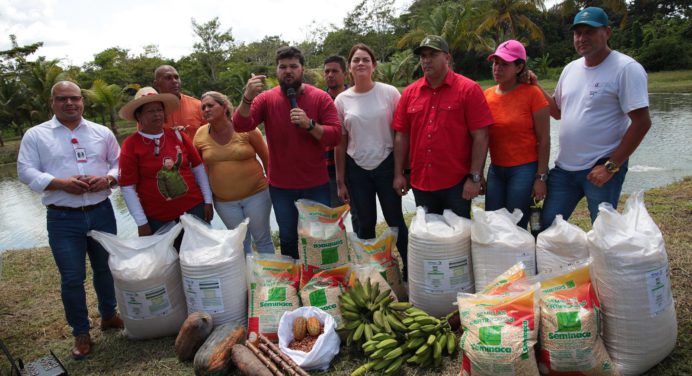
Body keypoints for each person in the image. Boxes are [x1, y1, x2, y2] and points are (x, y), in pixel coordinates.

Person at [17, 81, 123, 359]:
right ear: (52, 102)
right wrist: (58, 183)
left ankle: (109, 314)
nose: (70, 103)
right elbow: (25, 170)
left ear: (83, 102)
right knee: (73, 277)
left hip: (101, 211)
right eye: (63, 99)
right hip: (64, 217)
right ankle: (81, 332)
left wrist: (108, 178)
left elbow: (119, 162)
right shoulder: (36, 135)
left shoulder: (101, 132)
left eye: (75, 98)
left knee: (106, 268)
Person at [532, 7, 652, 228]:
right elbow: (558, 112)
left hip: (602, 165)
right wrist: (535, 86)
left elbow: (642, 122)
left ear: (607, 32)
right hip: (565, 168)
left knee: (603, 230)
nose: (582, 38)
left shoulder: (626, 68)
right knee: (547, 226)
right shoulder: (570, 69)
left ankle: (604, 263)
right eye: (578, 33)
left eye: (589, 32)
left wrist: (611, 167)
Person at [233, 46, 341, 259]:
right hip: (281, 186)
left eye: (293, 66)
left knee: (319, 237)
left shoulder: (320, 98)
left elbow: (336, 135)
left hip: (315, 184)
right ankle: (292, 281)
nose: (288, 71)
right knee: (288, 237)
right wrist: (247, 98)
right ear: (277, 71)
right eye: (283, 67)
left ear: (302, 69)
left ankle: (321, 280)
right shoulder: (265, 99)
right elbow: (240, 125)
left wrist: (310, 125)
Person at [392, 35, 493, 218]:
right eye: (423, 56)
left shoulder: (469, 90)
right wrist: (400, 173)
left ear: (447, 57)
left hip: (457, 184)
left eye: (432, 54)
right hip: (421, 182)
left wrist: (475, 177)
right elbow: (402, 136)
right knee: (430, 238)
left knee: (459, 238)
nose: (426, 60)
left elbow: (481, 136)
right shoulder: (409, 93)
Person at [334, 43, 409, 277]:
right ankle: (371, 274)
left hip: (387, 164)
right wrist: (340, 181)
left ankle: (410, 268)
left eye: (366, 59)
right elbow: (340, 142)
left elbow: (401, 134)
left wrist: (400, 172)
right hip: (357, 169)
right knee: (364, 224)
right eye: (356, 60)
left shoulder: (389, 93)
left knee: (395, 220)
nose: (361, 64)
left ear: (374, 65)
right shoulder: (341, 100)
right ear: (349, 68)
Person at [118, 87, 213, 240]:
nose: (157, 114)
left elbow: (198, 168)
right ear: (138, 116)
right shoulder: (131, 145)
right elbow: (127, 187)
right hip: (158, 218)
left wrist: (207, 201)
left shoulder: (178, 135)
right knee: (169, 261)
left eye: (159, 110)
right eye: (150, 111)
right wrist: (141, 222)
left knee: (202, 257)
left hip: (194, 208)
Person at [194, 91, 274, 254]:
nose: (206, 109)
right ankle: (247, 277)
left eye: (210, 105)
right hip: (224, 202)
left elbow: (266, 158)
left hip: (257, 195)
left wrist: (272, 185)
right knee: (240, 244)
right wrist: (206, 200)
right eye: (203, 107)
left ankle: (268, 278)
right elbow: (197, 169)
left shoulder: (246, 127)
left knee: (262, 240)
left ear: (224, 107)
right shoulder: (200, 134)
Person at [483, 40, 550, 229]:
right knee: (493, 223)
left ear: (519, 66)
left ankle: (519, 259)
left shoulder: (532, 94)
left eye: (505, 64)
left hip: (524, 170)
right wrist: (478, 174)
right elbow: (482, 139)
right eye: (496, 63)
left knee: (516, 224)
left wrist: (540, 178)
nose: (498, 68)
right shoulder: (486, 95)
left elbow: (544, 140)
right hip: (496, 169)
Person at [323, 55, 349, 208]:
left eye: (334, 71)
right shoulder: (319, 100)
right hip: (328, 168)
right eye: (327, 72)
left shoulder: (354, 97)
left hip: (354, 165)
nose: (330, 75)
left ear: (345, 74)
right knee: (333, 216)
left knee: (359, 215)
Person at [153, 65, 206, 139]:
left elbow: (210, 136)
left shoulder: (198, 105)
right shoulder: (149, 111)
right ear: (156, 84)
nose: (174, 81)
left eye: (176, 77)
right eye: (168, 78)